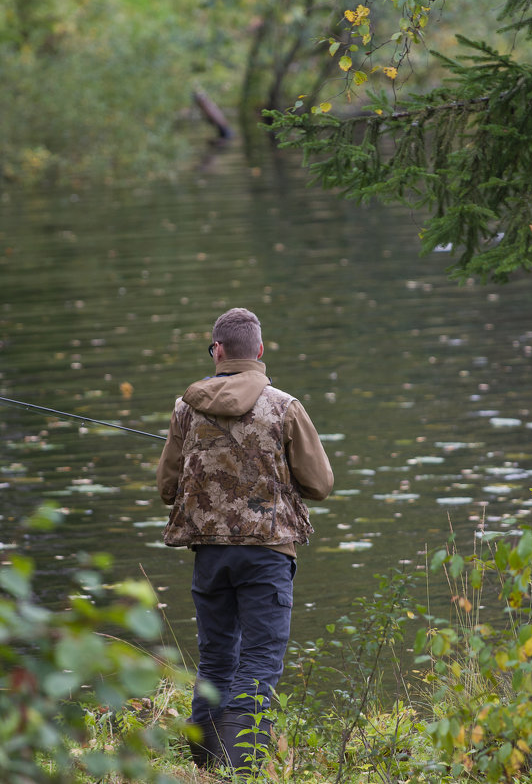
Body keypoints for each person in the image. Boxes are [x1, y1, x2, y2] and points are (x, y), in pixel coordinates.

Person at [156, 308, 334, 773]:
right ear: (258, 350)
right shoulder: (285, 407)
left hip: (210, 557)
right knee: (257, 666)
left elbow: (165, 488)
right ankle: (241, 773)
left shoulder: (185, 408)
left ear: (217, 351)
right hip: (268, 556)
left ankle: (204, 770)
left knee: (215, 664)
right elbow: (320, 484)